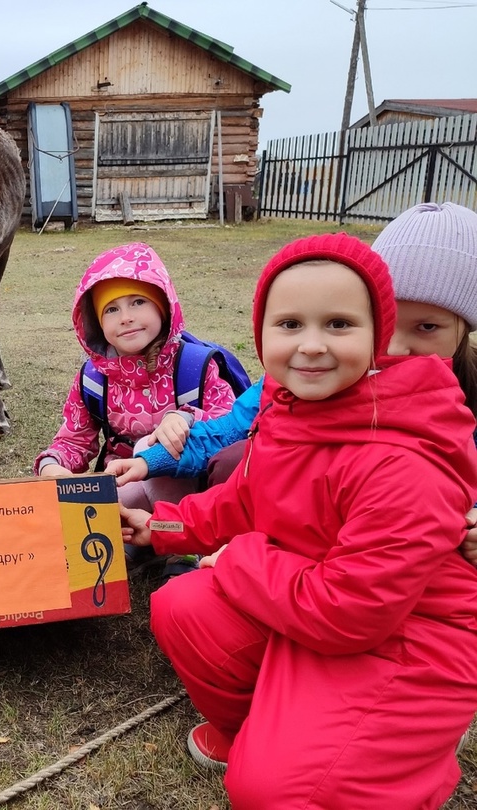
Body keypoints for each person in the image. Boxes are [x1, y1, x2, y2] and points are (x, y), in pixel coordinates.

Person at [122, 233, 477, 808]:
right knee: (180, 604)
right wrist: (157, 527)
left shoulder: (402, 459)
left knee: (269, 791)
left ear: (377, 335)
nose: (312, 345)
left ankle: (412, 761)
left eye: (338, 324)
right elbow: (240, 499)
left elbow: (351, 613)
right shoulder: (293, 408)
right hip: (309, 600)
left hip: (403, 641)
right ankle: (260, 728)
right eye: (290, 324)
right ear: (261, 333)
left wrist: (237, 559)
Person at [112, 202, 477, 561]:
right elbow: (230, 430)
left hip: (388, 564)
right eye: (387, 320)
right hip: (304, 541)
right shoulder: (311, 376)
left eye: (427, 327)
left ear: (465, 330)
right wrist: (150, 461)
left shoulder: (455, 405)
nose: (396, 346)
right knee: (233, 461)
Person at [33, 243, 236, 574]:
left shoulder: (193, 366)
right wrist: (53, 467)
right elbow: (74, 439)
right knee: (84, 521)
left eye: (138, 302)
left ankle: (181, 549)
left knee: (150, 445)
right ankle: (138, 545)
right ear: (97, 324)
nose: (126, 318)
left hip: (192, 496)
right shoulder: (94, 379)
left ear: (163, 307)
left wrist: (186, 418)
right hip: (127, 488)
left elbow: (232, 425)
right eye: (111, 309)